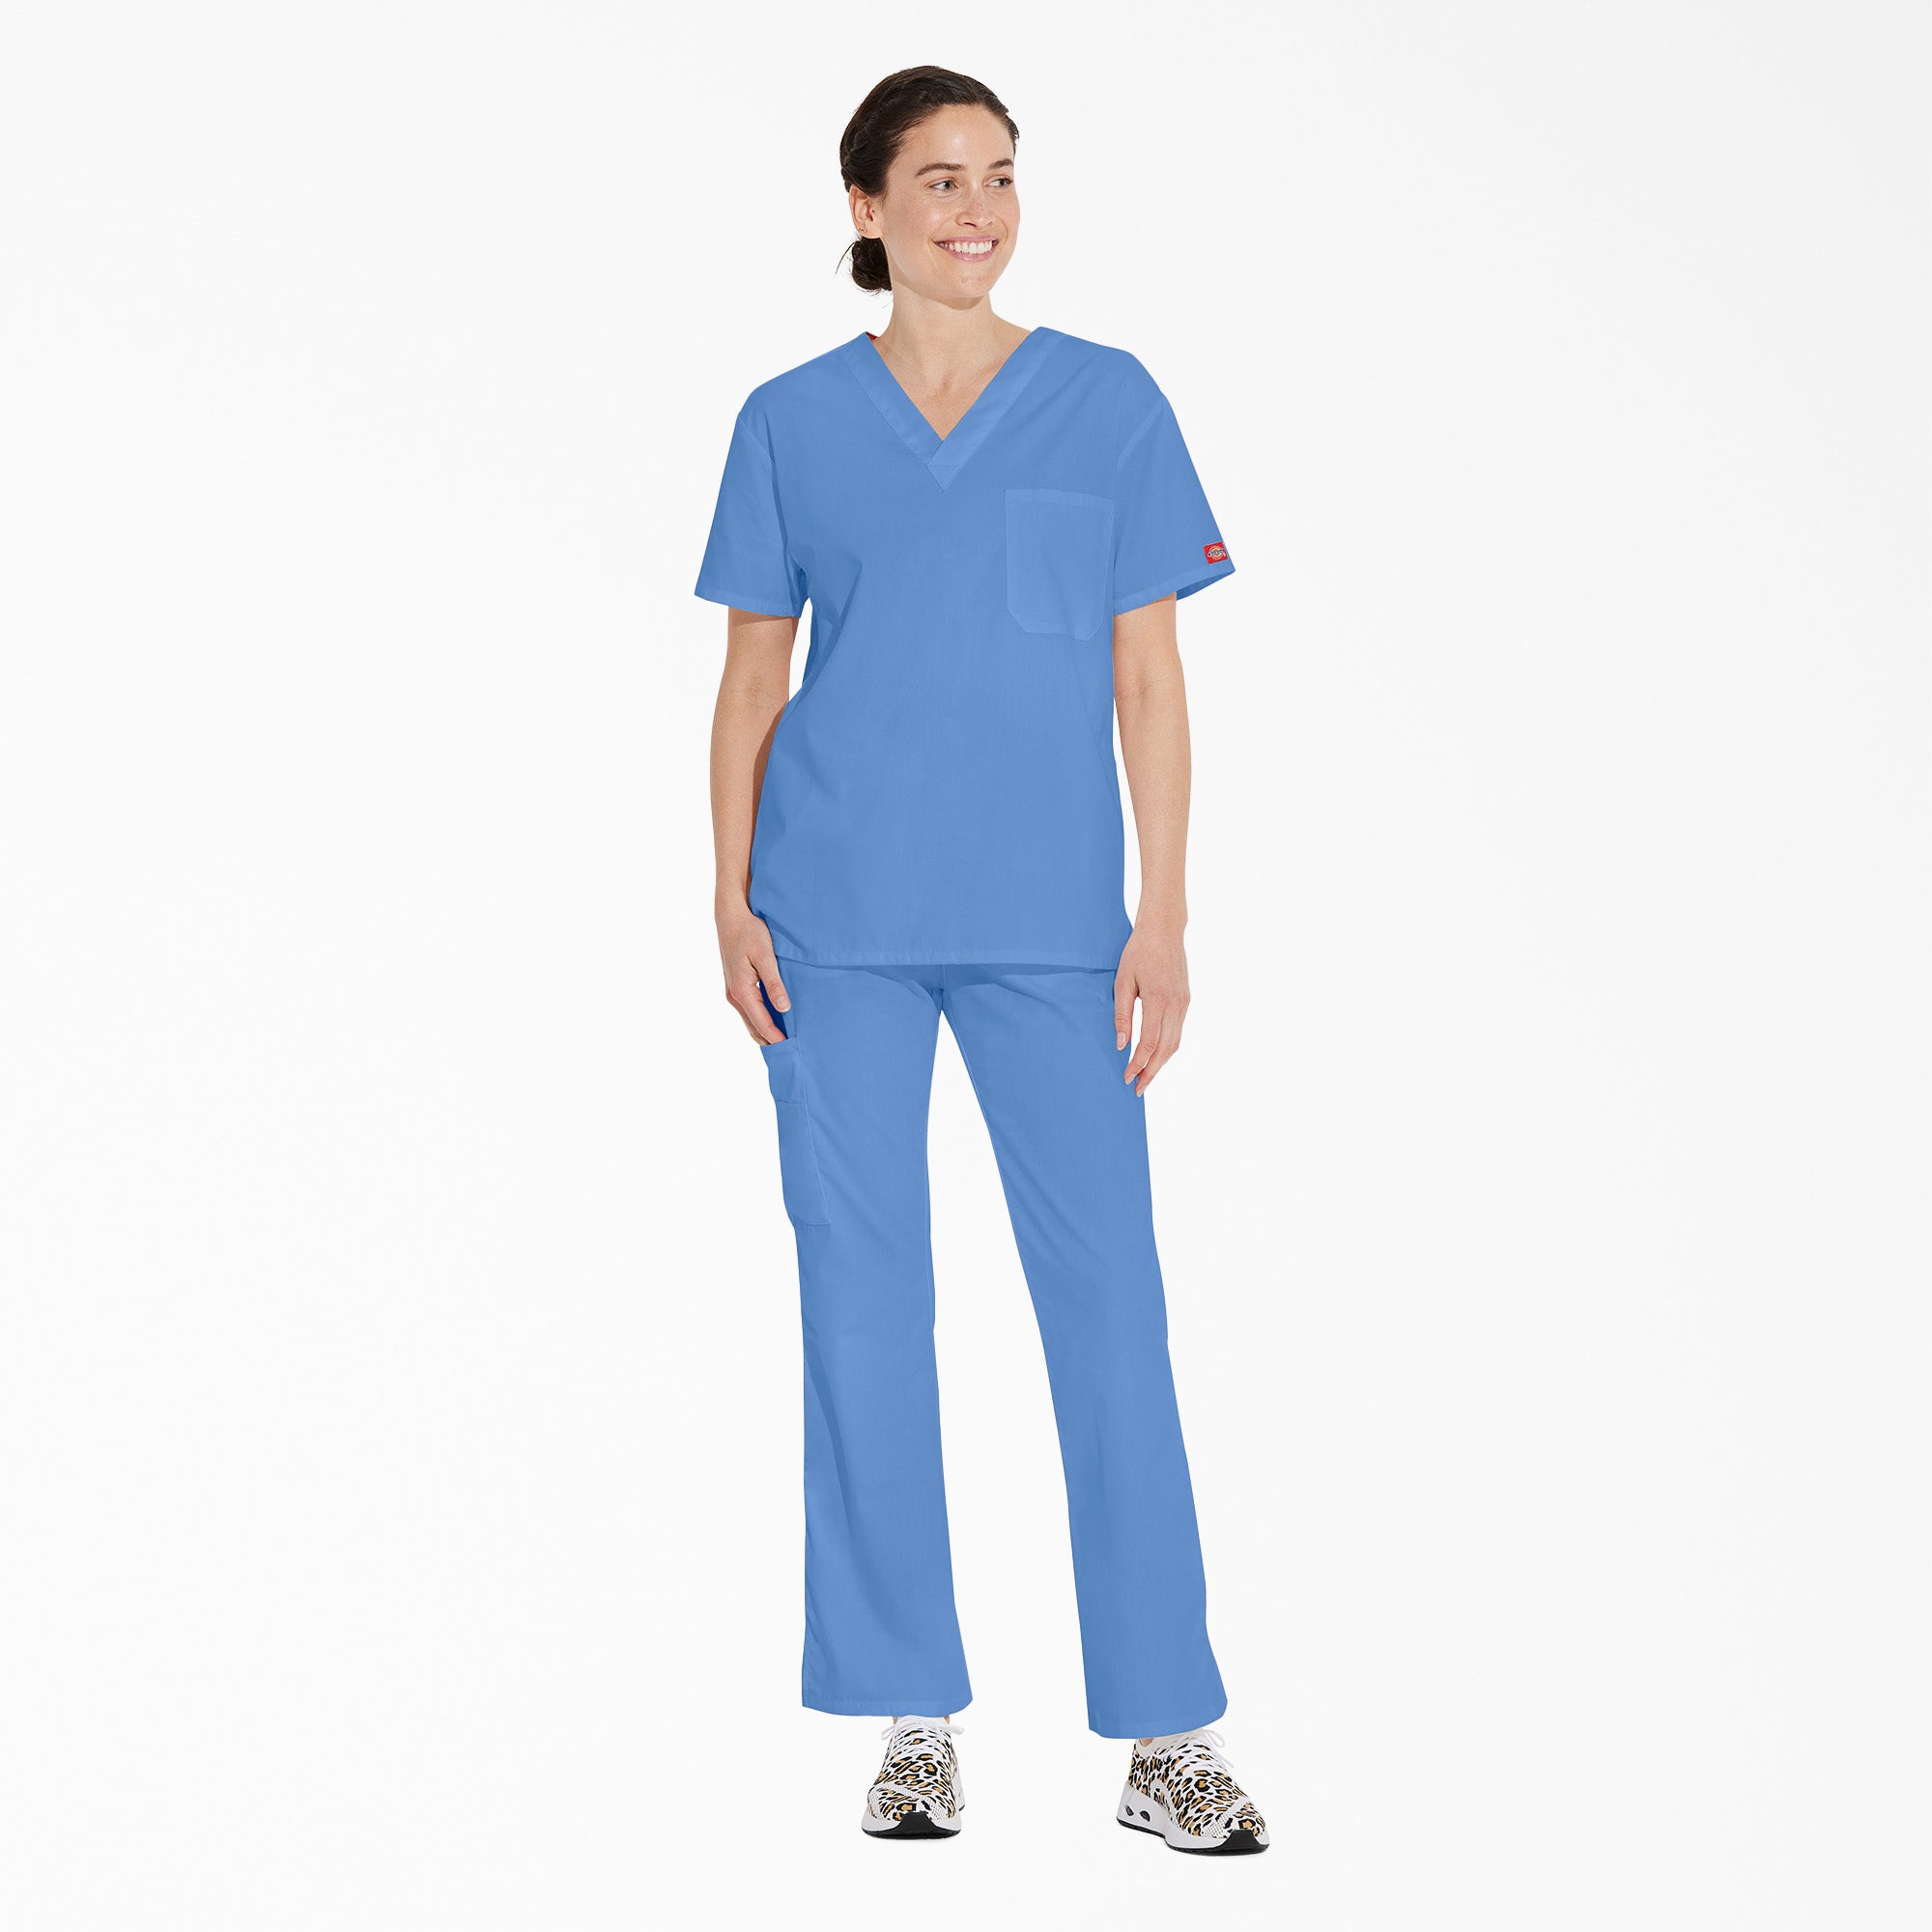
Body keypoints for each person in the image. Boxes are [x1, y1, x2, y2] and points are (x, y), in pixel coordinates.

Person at [696, 65, 1267, 1856]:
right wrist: (731, 899)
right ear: (866, 209)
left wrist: (1163, 913)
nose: (979, 209)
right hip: (835, 928)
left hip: (1050, 932)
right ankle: (911, 1717)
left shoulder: (1108, 403)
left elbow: (1150, 677)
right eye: (939, 179)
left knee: (1111, 1312)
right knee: (863, 1311)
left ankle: (1166, 1731)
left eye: (1002, 175)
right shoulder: (792, 422)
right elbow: (752, 679)